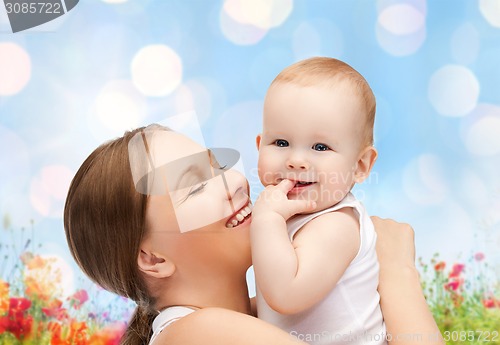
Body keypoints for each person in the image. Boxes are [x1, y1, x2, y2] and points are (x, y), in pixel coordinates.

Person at [63, 124, 443, 345]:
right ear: (153, 259)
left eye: (216, 164)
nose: (233, 182)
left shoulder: (268, 314)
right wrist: (396, 273)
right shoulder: (198, 334)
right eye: (194, 185)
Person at [251, 57, 382, 343]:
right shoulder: (286, 213)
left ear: (360, 165)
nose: (296, 160)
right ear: (260, 146)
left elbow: (285, 294)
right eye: (281, 143)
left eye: (320, 147)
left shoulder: (337, 225)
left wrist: (267, 220)